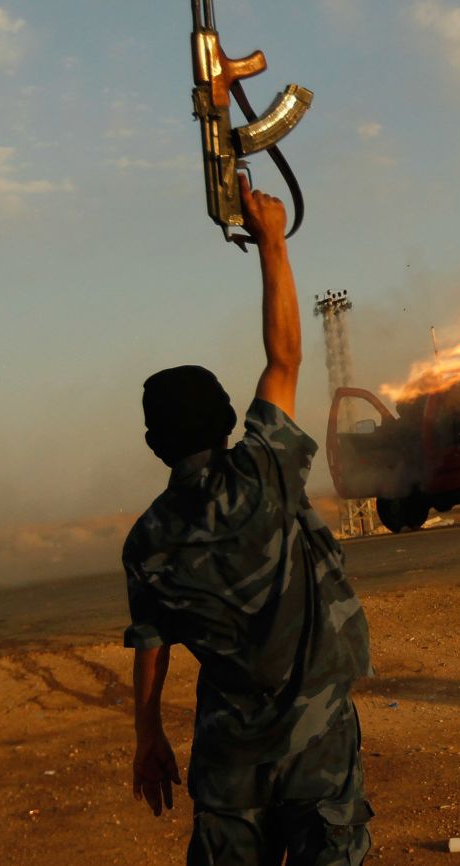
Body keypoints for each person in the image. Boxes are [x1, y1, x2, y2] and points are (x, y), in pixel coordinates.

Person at [121, 175, 373, 865]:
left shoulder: (148, 541)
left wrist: (147, 736)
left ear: (154, 444)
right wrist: (271, 242)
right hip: (316, 740)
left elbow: (152, 644)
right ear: (231, 419)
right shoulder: (264, 469)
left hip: (230, 756)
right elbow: (285, 355)